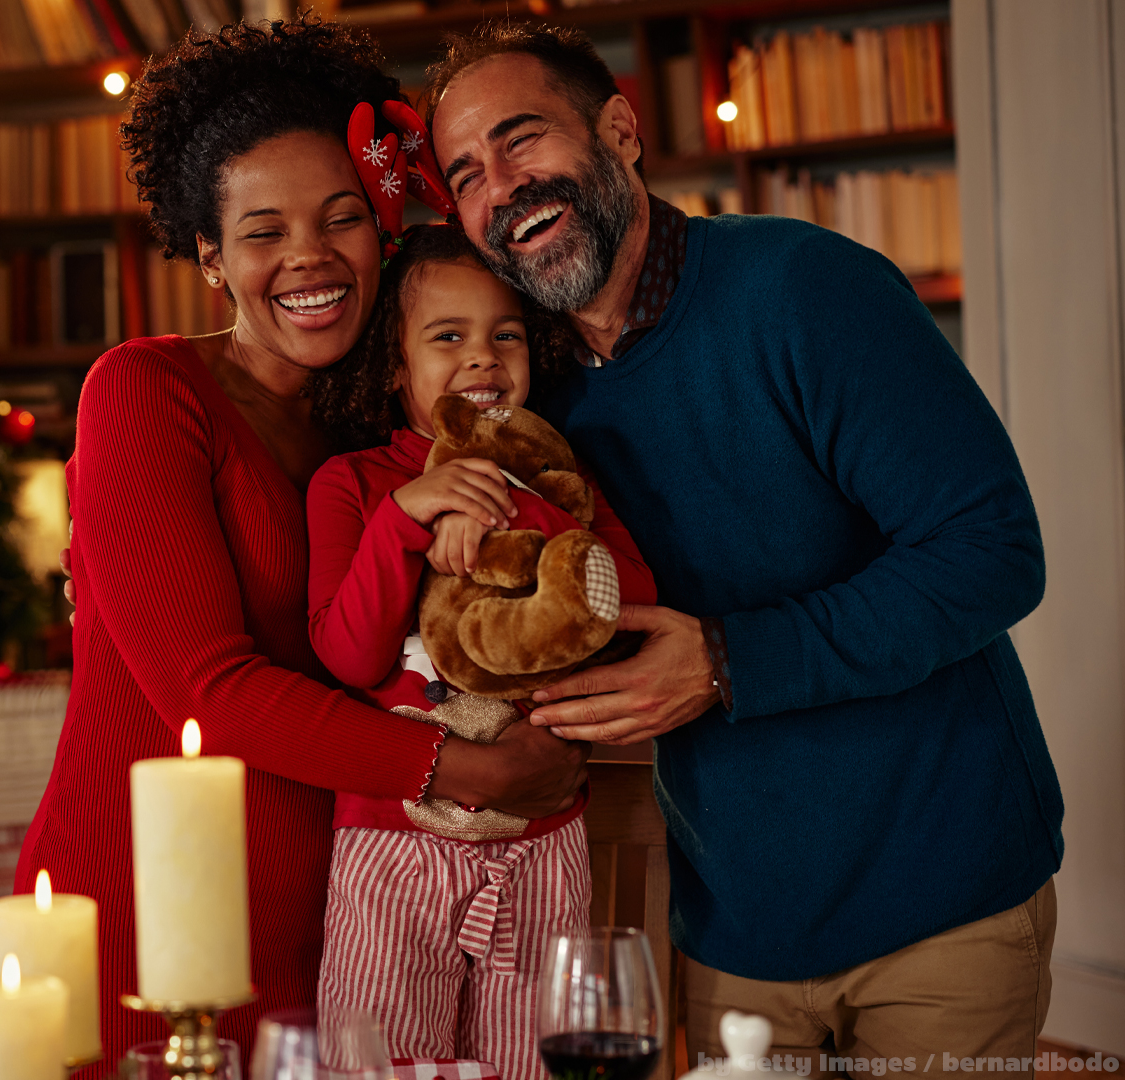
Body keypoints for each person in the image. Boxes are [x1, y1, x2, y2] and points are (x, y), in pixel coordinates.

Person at [422, 22, 1061, 1070]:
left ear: (619, 128)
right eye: (465, 174)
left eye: (522, 139)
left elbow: (992, 550)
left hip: (944, 903)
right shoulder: (525, 394)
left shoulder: (805, 291)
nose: (501, 187)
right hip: (733, 932)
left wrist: (727, 659)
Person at [15, 17, 591, 1073]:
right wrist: (468, 768)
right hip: (152, 921)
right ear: (209, 258)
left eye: (341, 220)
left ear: (384, 230)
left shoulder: (387, 440)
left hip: (344, 927)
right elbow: (208, 685)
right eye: (262, 231)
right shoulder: (145, 393)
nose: (309, 258)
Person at [303, 222, 655, 1077]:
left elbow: (633, 603)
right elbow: (347, 658)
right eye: (448, 337)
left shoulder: (561, 481)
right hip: (390, 846)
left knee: (538, 1059)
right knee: (377, 1059)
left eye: (505, 335)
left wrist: (519, 511)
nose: (483, 358)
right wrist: (409, 519)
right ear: (395, 367)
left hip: (543, 835)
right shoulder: (351, 486)